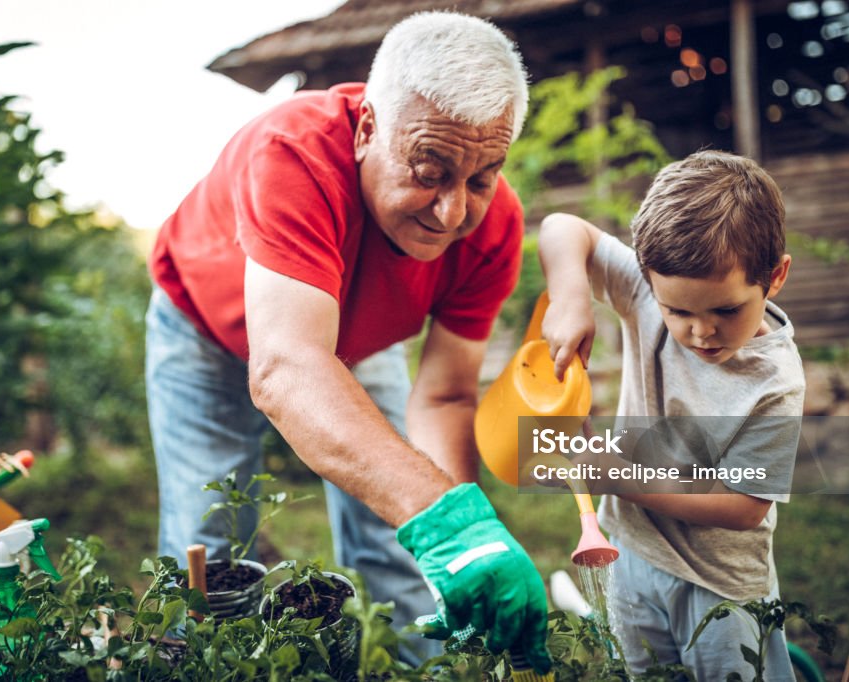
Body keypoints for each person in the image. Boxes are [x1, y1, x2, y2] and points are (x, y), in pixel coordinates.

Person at [145, 11, 550, 671]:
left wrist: (468, 536)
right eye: (429, 169)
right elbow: (288, 369)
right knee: (210, 546)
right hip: (205, 331)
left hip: (354, 342)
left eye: (480, 178)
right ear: (367, 129)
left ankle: (430, 667)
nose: (452, 213)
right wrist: (445, 520)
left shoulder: (494, 226)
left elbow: (446, 396)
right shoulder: (294, 151)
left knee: (404, 541)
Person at [538, 150, 804, 680]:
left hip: (720, 586)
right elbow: (561, 227)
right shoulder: (643, 289)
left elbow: (745, 506)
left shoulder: (774, 382)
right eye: (677, 311)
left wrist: (616, 476)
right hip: (631, 553)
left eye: (725, 310)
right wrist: (570, 297)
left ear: (774, 277)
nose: (700, 332)